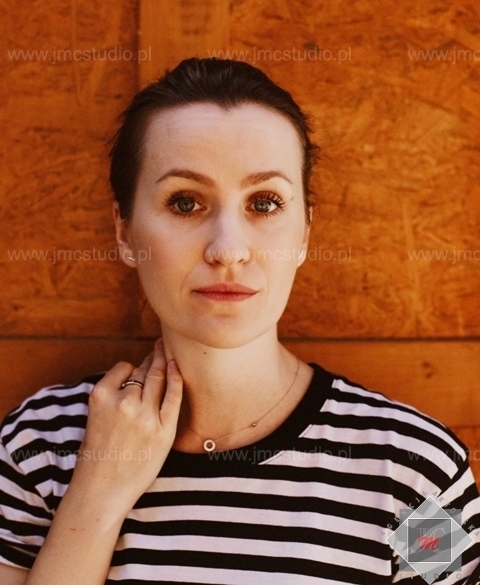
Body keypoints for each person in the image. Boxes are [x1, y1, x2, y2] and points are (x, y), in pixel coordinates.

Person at [0, 57, 479, 585]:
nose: (228, 250)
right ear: (124, 231)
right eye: (185, 202)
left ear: (304, 233)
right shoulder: (40, 447)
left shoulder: (414, 473)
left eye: (265, 203)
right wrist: (97, 494)